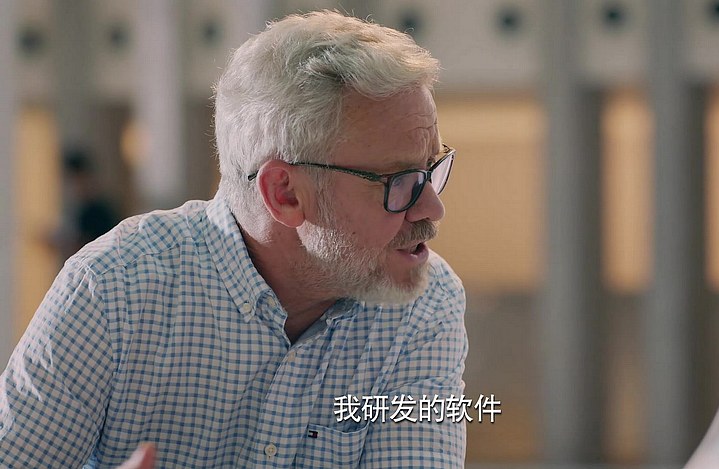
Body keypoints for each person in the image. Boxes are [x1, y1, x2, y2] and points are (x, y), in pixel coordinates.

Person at [0, 10, 467, 468]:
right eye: (400, 182)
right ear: (285, 194)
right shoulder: (113, 291)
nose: (433, 208)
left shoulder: (424, 304)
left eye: (431, 169)